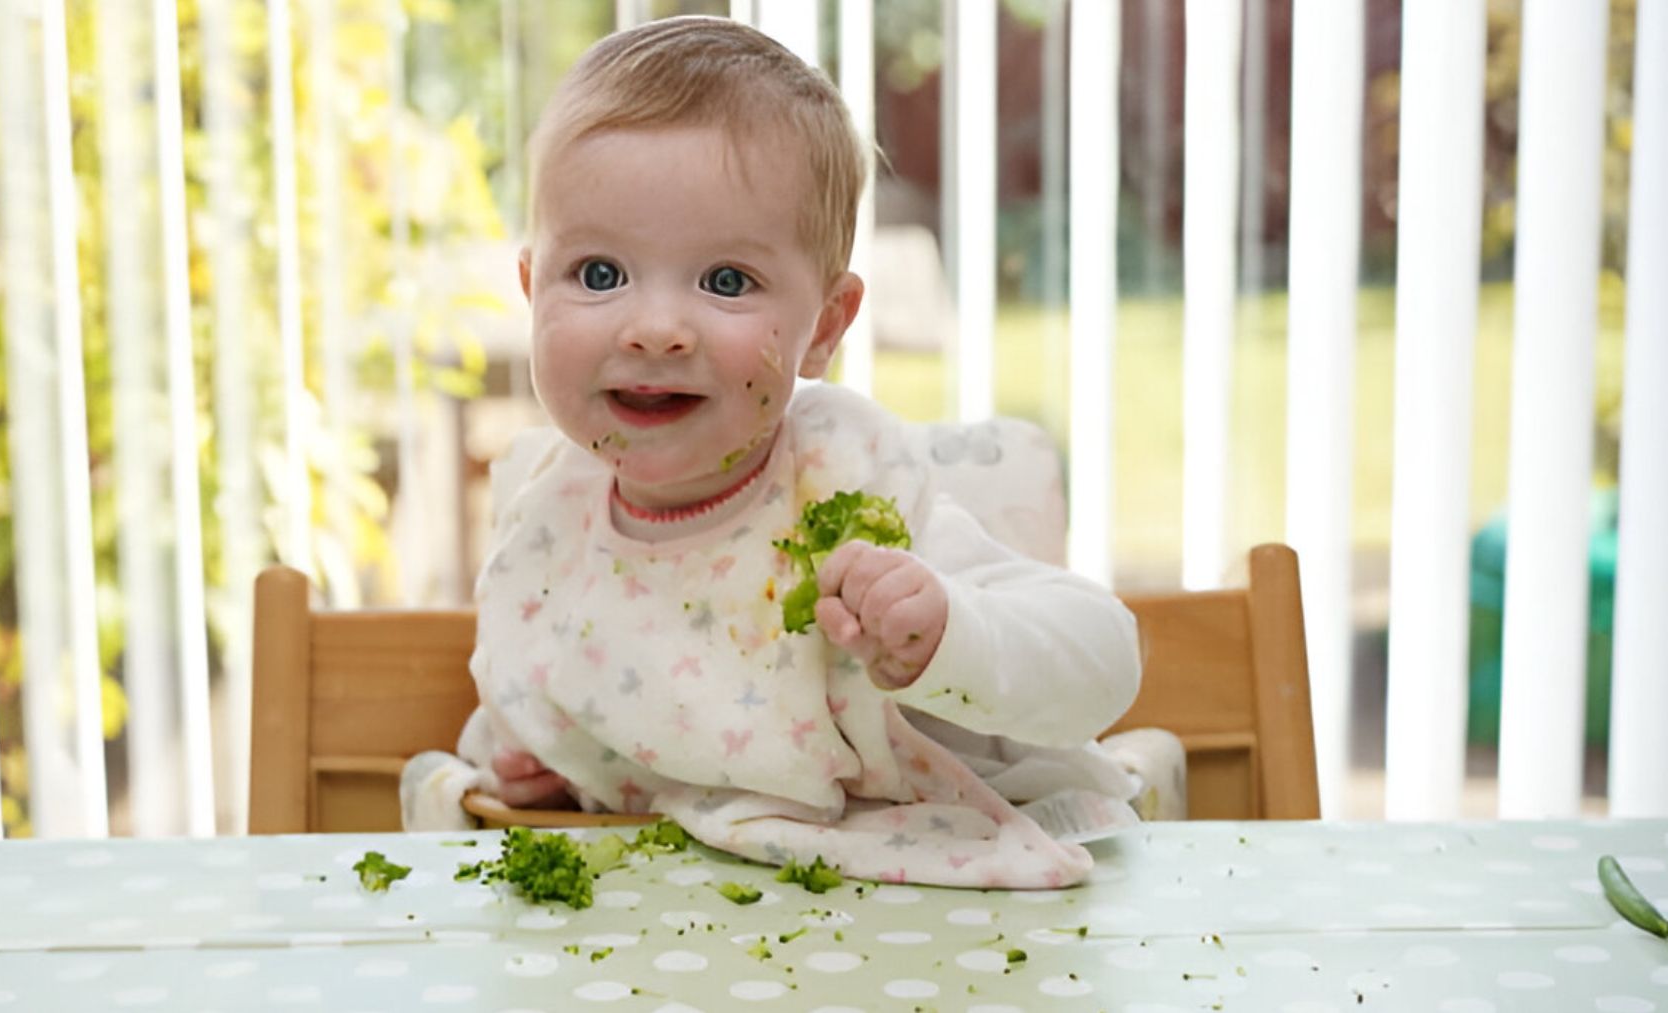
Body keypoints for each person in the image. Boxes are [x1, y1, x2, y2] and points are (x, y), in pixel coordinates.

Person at [401, 15, 1144, 889]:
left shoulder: (842, 513)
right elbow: (568, 686)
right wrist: (552, 767)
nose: (655, 329)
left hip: (893, 909)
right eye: (600, 274)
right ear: (532, 292)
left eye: (726, 281)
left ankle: (1149, 775)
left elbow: (1108, 656)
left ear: (824, 327)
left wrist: (945, 630)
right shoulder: (551, 519)